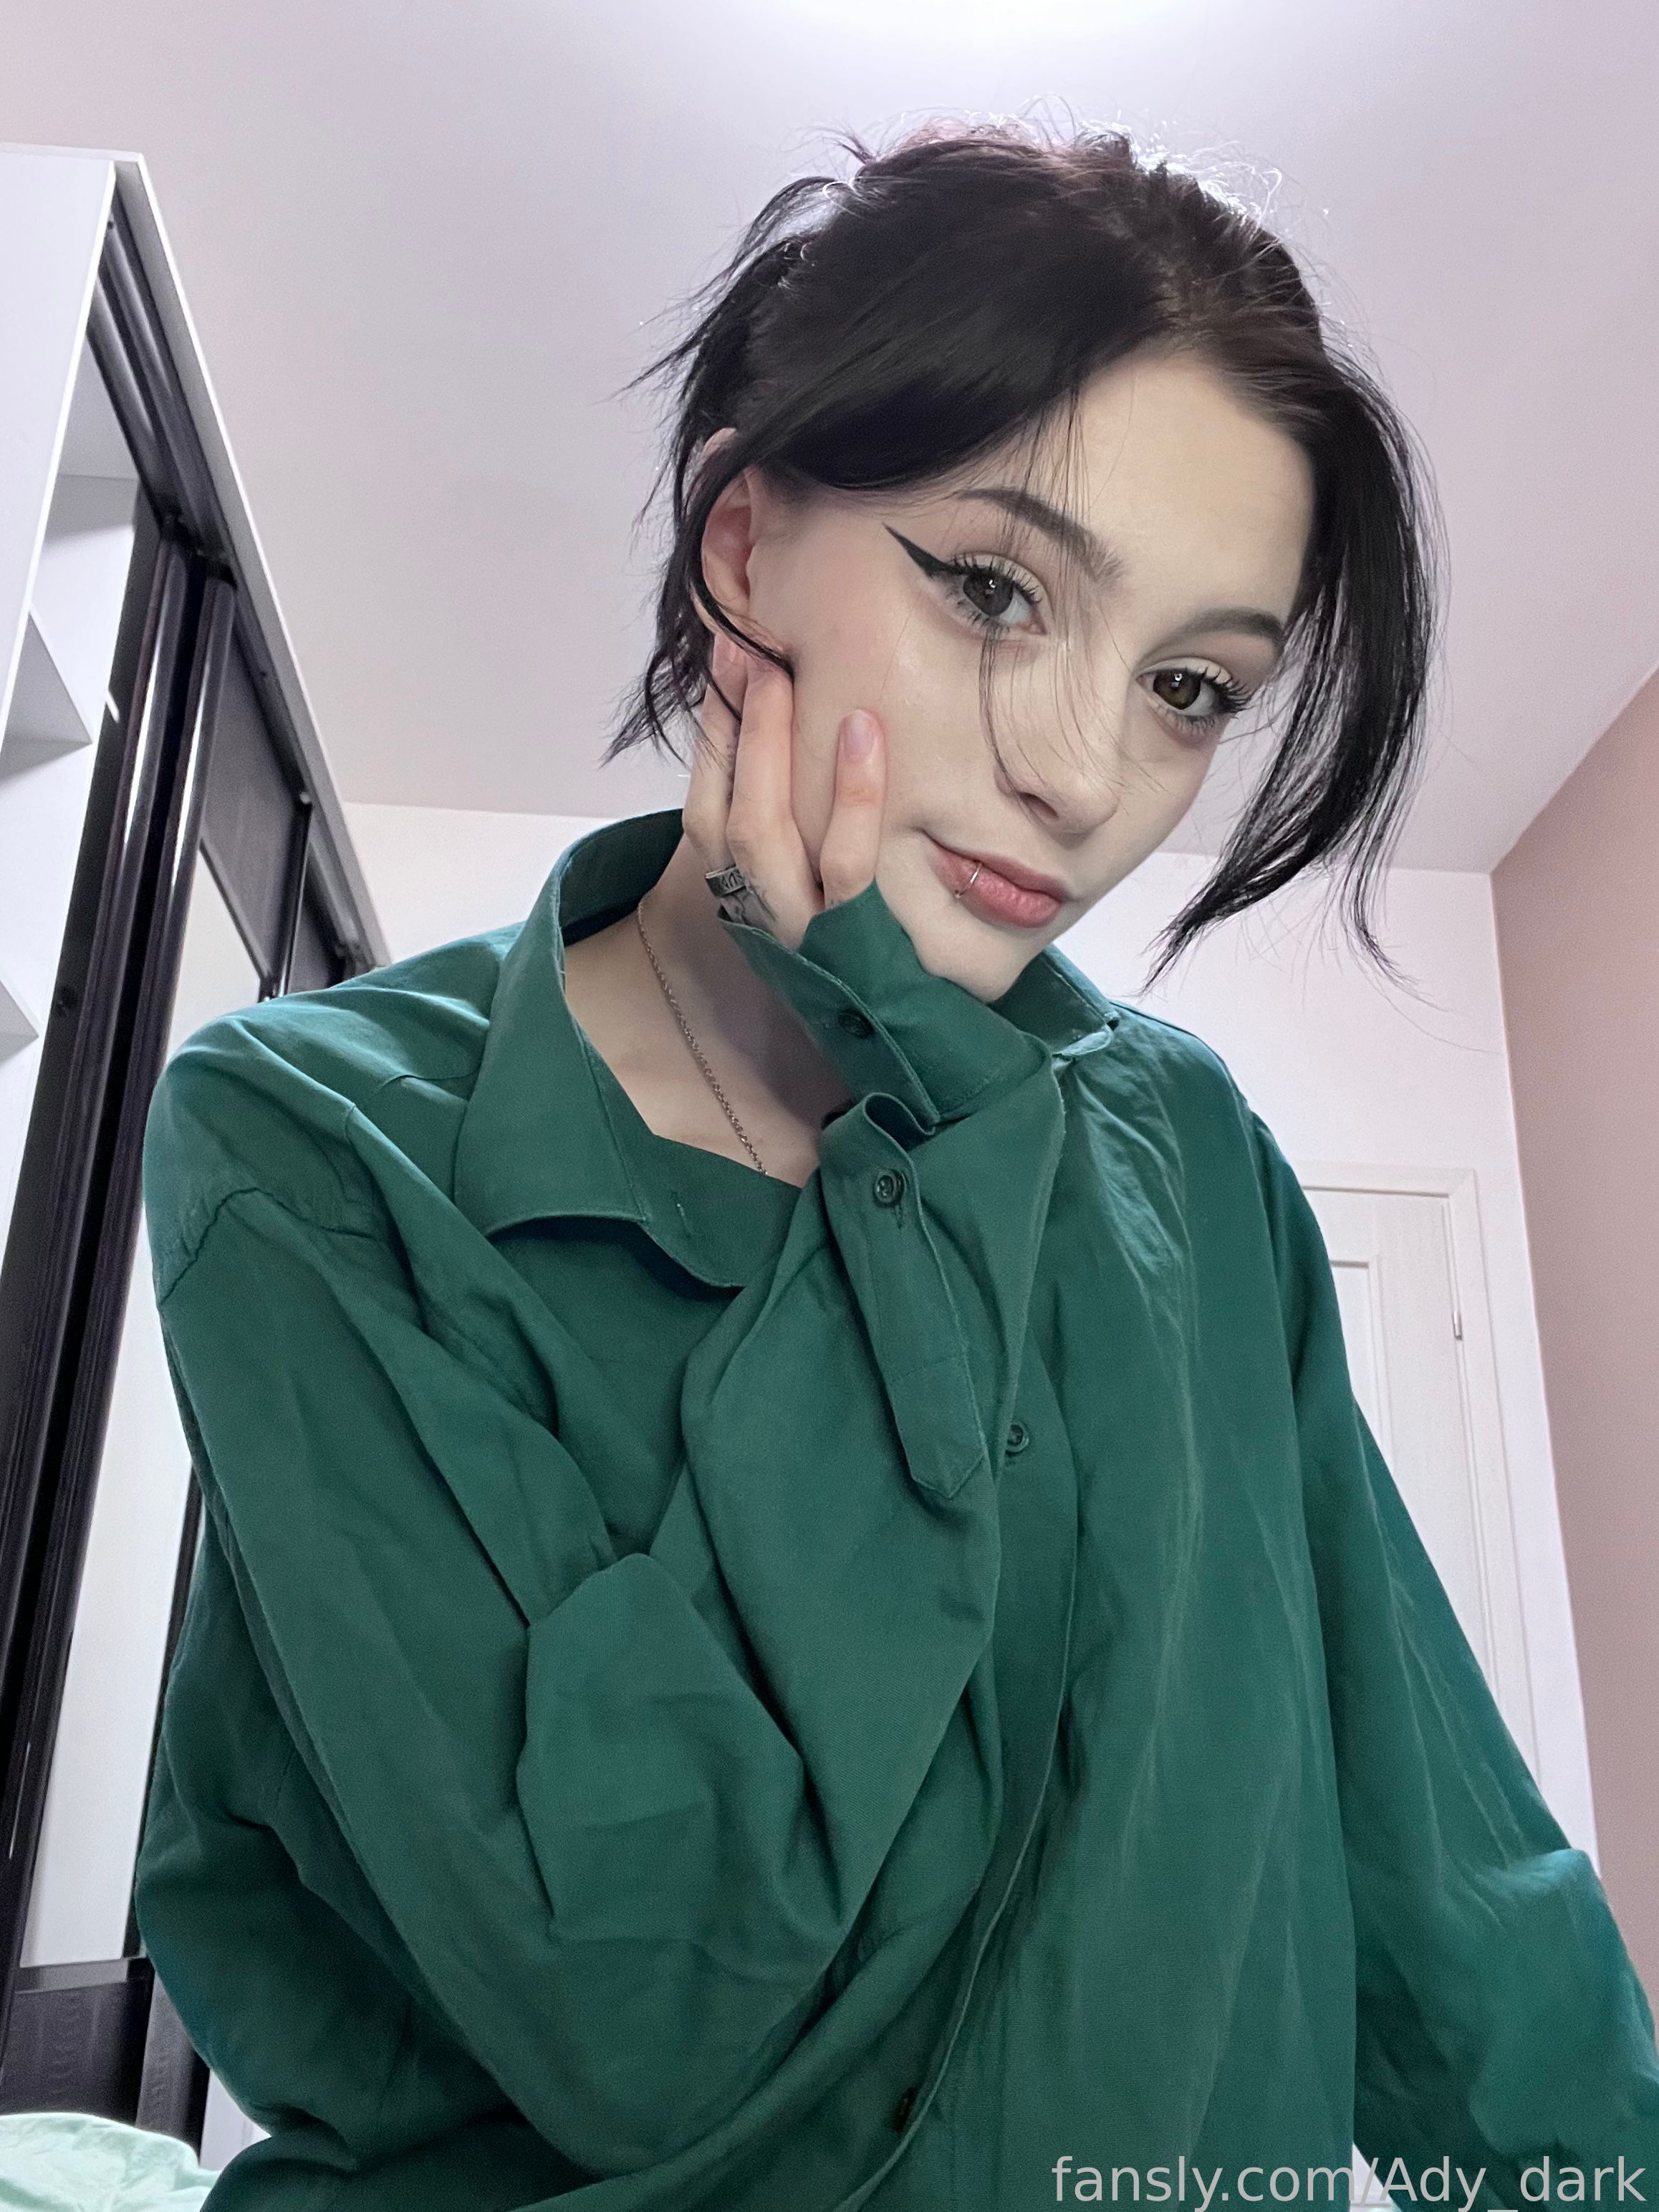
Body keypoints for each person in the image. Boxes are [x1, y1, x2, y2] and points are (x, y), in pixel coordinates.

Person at [133, 121, 1659, 2212]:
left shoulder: (1182, 1157)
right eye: (993, 590)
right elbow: (640, 2009)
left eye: (1189, 686)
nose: (1083, 772)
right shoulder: (316, 1147)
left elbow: (1453, 1909)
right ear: (744, 542)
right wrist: (921, 1125)